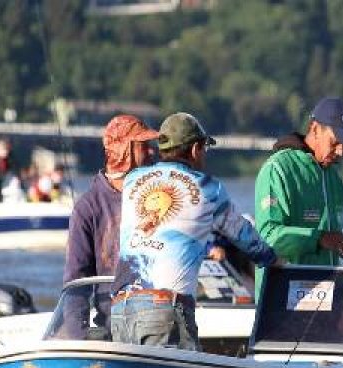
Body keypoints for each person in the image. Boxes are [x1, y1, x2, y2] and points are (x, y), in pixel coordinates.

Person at [111, 112, 277, 350]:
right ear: (195, 149)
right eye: (204, 149)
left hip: (120, 308)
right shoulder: (209, 188)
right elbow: (245, 237)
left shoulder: (132, 180)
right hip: (164, 308)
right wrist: (273, 258)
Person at [62, 114, 160, 340]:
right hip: (115, 327)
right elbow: (76, 282)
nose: (153, 152)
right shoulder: (87, 209)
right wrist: (78, 342)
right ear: (124, 152)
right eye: (144, 146)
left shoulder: (157, 196)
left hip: (159, 322)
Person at [253, 97, 343, 294]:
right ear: (315, 129)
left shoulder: (336, 182)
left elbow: (328, 246)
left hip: (324, 303)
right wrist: (320, 239)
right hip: (280, 302)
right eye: (335, 142)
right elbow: (267, 238)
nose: (340, 152)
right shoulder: (277, 169)